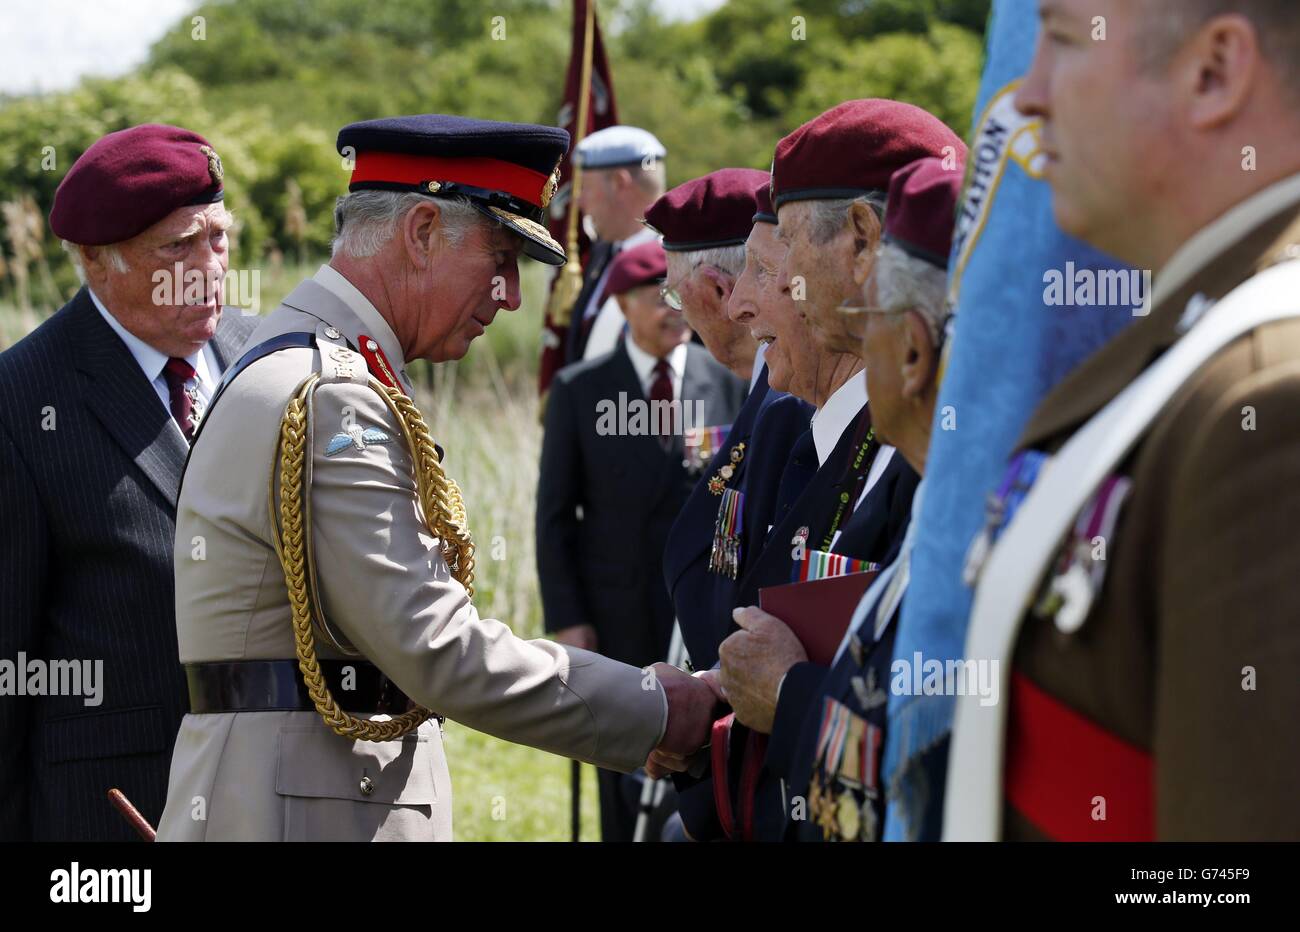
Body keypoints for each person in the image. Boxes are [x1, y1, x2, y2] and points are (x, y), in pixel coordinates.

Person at [155, 114, 717, 842]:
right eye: (501, 257)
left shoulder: (318, 366)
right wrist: (659, 707)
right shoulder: (335, 395)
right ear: (421, 230)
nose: (511, 295)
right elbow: (434, 647)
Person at [947, 0, 1300, 841]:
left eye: (1063, 41)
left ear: (1213, 72)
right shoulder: (1198, 345)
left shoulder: (1271, 403)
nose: (1026, 97)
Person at [0, 123, 258, 840]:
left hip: (283, 795)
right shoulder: (20, 403)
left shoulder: (271, 356)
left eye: (219, 237)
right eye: (177, 247)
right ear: (94, 258)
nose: (210, 267)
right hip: (117, 818)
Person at [748, 156, 962, 842]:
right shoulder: (930, 489)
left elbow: (931, 762)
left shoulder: (972, 526)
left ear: (912, 355)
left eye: (866, 324)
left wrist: (787, 692)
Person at [538, 238, 746, 840]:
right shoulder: (582, 389)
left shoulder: (725, 378)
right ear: (621, 306)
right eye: (655, 299)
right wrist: (568, 617)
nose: (671, 309)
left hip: (703, 616)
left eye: (678, 295)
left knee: (700, 757)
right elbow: (554, 514)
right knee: (623, 759)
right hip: (615, 615)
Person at [648, 170, 811, 670]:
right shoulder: (768, 389)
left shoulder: (791, 402)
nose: (679, 314)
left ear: (717, 291)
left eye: (676, 296)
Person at [566, 125, 667, 363]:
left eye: (585, 188)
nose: (579, 201)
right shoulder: (602, 253)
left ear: (619, 182)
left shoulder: (678, 265)